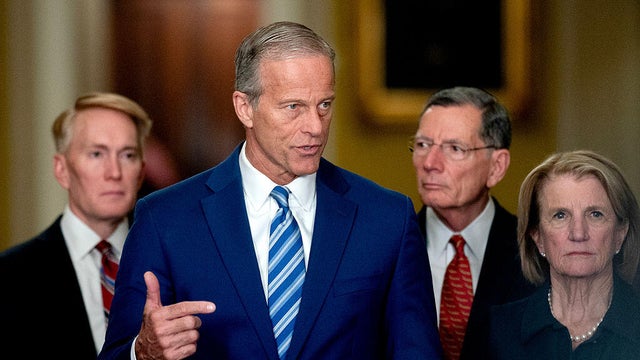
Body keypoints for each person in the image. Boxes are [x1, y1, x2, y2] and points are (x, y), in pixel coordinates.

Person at [98, 21, 442, 360]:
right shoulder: (164, 220)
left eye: (324, 105)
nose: (314, 127)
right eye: (294, 107)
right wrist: (142, 353)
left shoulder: (387, 218)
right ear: (245, 107)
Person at [0, 92, 152, 357]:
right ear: (62, 170)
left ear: (140, 171)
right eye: (96, 154)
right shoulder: (9, 276)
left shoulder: (170, 261)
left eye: (127, 155)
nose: (114, 172)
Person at [410, 86, 535, 360]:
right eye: (422, 145)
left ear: (496, 167)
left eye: (454, 148)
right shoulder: (387, 248)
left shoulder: (535, 254)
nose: (430, 163)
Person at [488, 150, 640, 358]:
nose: (578, 233)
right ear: (537, 236)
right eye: (560, 215)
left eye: (595, 214)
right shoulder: (497, 331)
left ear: (620, 234)